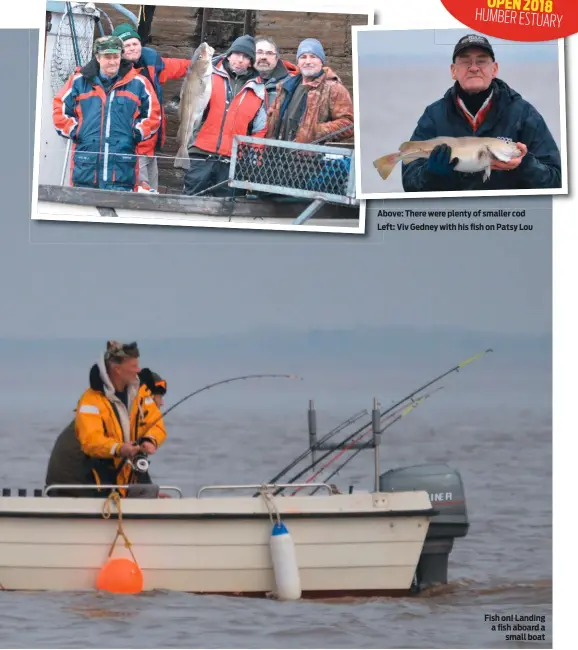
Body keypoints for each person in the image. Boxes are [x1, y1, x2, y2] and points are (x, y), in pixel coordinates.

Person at [401, 33, 562, 192]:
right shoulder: (434, 115)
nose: (474, 68)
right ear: (453, 71)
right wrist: (431, 174)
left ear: (494, 69)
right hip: (453, 216)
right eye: (465, 62)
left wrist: (524, 164)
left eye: (482, 61)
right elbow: (410, 183)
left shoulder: (524, 114)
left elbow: (556, 180)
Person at [53, 36, 161, 192]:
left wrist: (137, 133)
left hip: (123, 170)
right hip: (85, 169)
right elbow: (59, 109)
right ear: (97, 57)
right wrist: (76, 130)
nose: (112, 61)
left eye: (116, 56)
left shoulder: (139, 83)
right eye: (107, 57)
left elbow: (153, 115)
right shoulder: (78, 81)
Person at [44, 362, 168, 498]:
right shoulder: (115, 421)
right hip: (79, 488)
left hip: (65, 487)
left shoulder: (116, 417)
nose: (162, 403)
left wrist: (148, 490)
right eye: (158, 397)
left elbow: (133, 466)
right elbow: (109, 458)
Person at [73, 341, 167, 497]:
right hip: (101, 477)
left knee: (154, 498)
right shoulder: (90, 400)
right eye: (133, 367)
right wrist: (119, 448)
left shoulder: (142, 393)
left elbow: (156, 424)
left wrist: (150, 440)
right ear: (117, 369)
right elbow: (90, 440)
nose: (138, 371)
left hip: (135, 473)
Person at [182, 34, 267, 198]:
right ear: (229, 55)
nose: (240, 60)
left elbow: (260, 129)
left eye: (246, 57)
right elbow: (191, 103)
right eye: (237, 54)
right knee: (190, 201)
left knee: (227, 207)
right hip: (200, 153)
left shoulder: (259, 88)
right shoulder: (208, 75)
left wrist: (252, 162)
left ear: (251, 62)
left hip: (234, 161)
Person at [112, 22, 191, 192]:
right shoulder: (114, 74)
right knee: (139, 197)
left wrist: (200, 63)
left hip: (150, 149)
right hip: (132, 152)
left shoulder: (151, 64)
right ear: (119, 49)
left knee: (152, 197)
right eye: (127, 45)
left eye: (135, 43)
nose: (133, 48)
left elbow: (178, 66)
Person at [265, 38, 354, 145]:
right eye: (303, 57)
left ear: (321, 61)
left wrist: (317, 131)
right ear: (298, 62)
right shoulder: (286, 86)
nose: (308, 61)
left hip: (311, 157)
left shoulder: (333, 88)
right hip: (278, 154)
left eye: (313, 57)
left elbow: (349, 124)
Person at [253, 36, 298, 108]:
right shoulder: (240, 80)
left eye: (269, 53)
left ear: (277, 58)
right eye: (259, 52)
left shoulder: (289, 84)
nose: (263, 57)